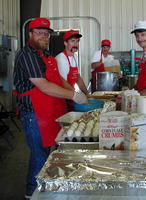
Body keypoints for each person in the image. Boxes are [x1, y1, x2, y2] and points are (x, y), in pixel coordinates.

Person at [13, 17, 87, 199]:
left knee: (48, 153)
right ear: (30, 34)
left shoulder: (46, 55)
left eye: (46, 34)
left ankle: (44, 188)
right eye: (39, 33)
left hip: (50, 112)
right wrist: (73, 95)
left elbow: (58, 79)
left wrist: (74, 91)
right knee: (39, 155)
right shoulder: (26, 54)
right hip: (34, 114)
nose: (43, 37)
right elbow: (43, 85)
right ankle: (31, 192)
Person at [55, 29, 88, 95]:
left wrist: (87, 94)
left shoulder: (75, 57)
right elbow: (63, 83)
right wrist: (76, 96)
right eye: (73, 41)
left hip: (70, 93)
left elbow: (78, 78)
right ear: (65, 43)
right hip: (61, 94)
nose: (76, 44)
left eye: (77, 41)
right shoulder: (61, 59)